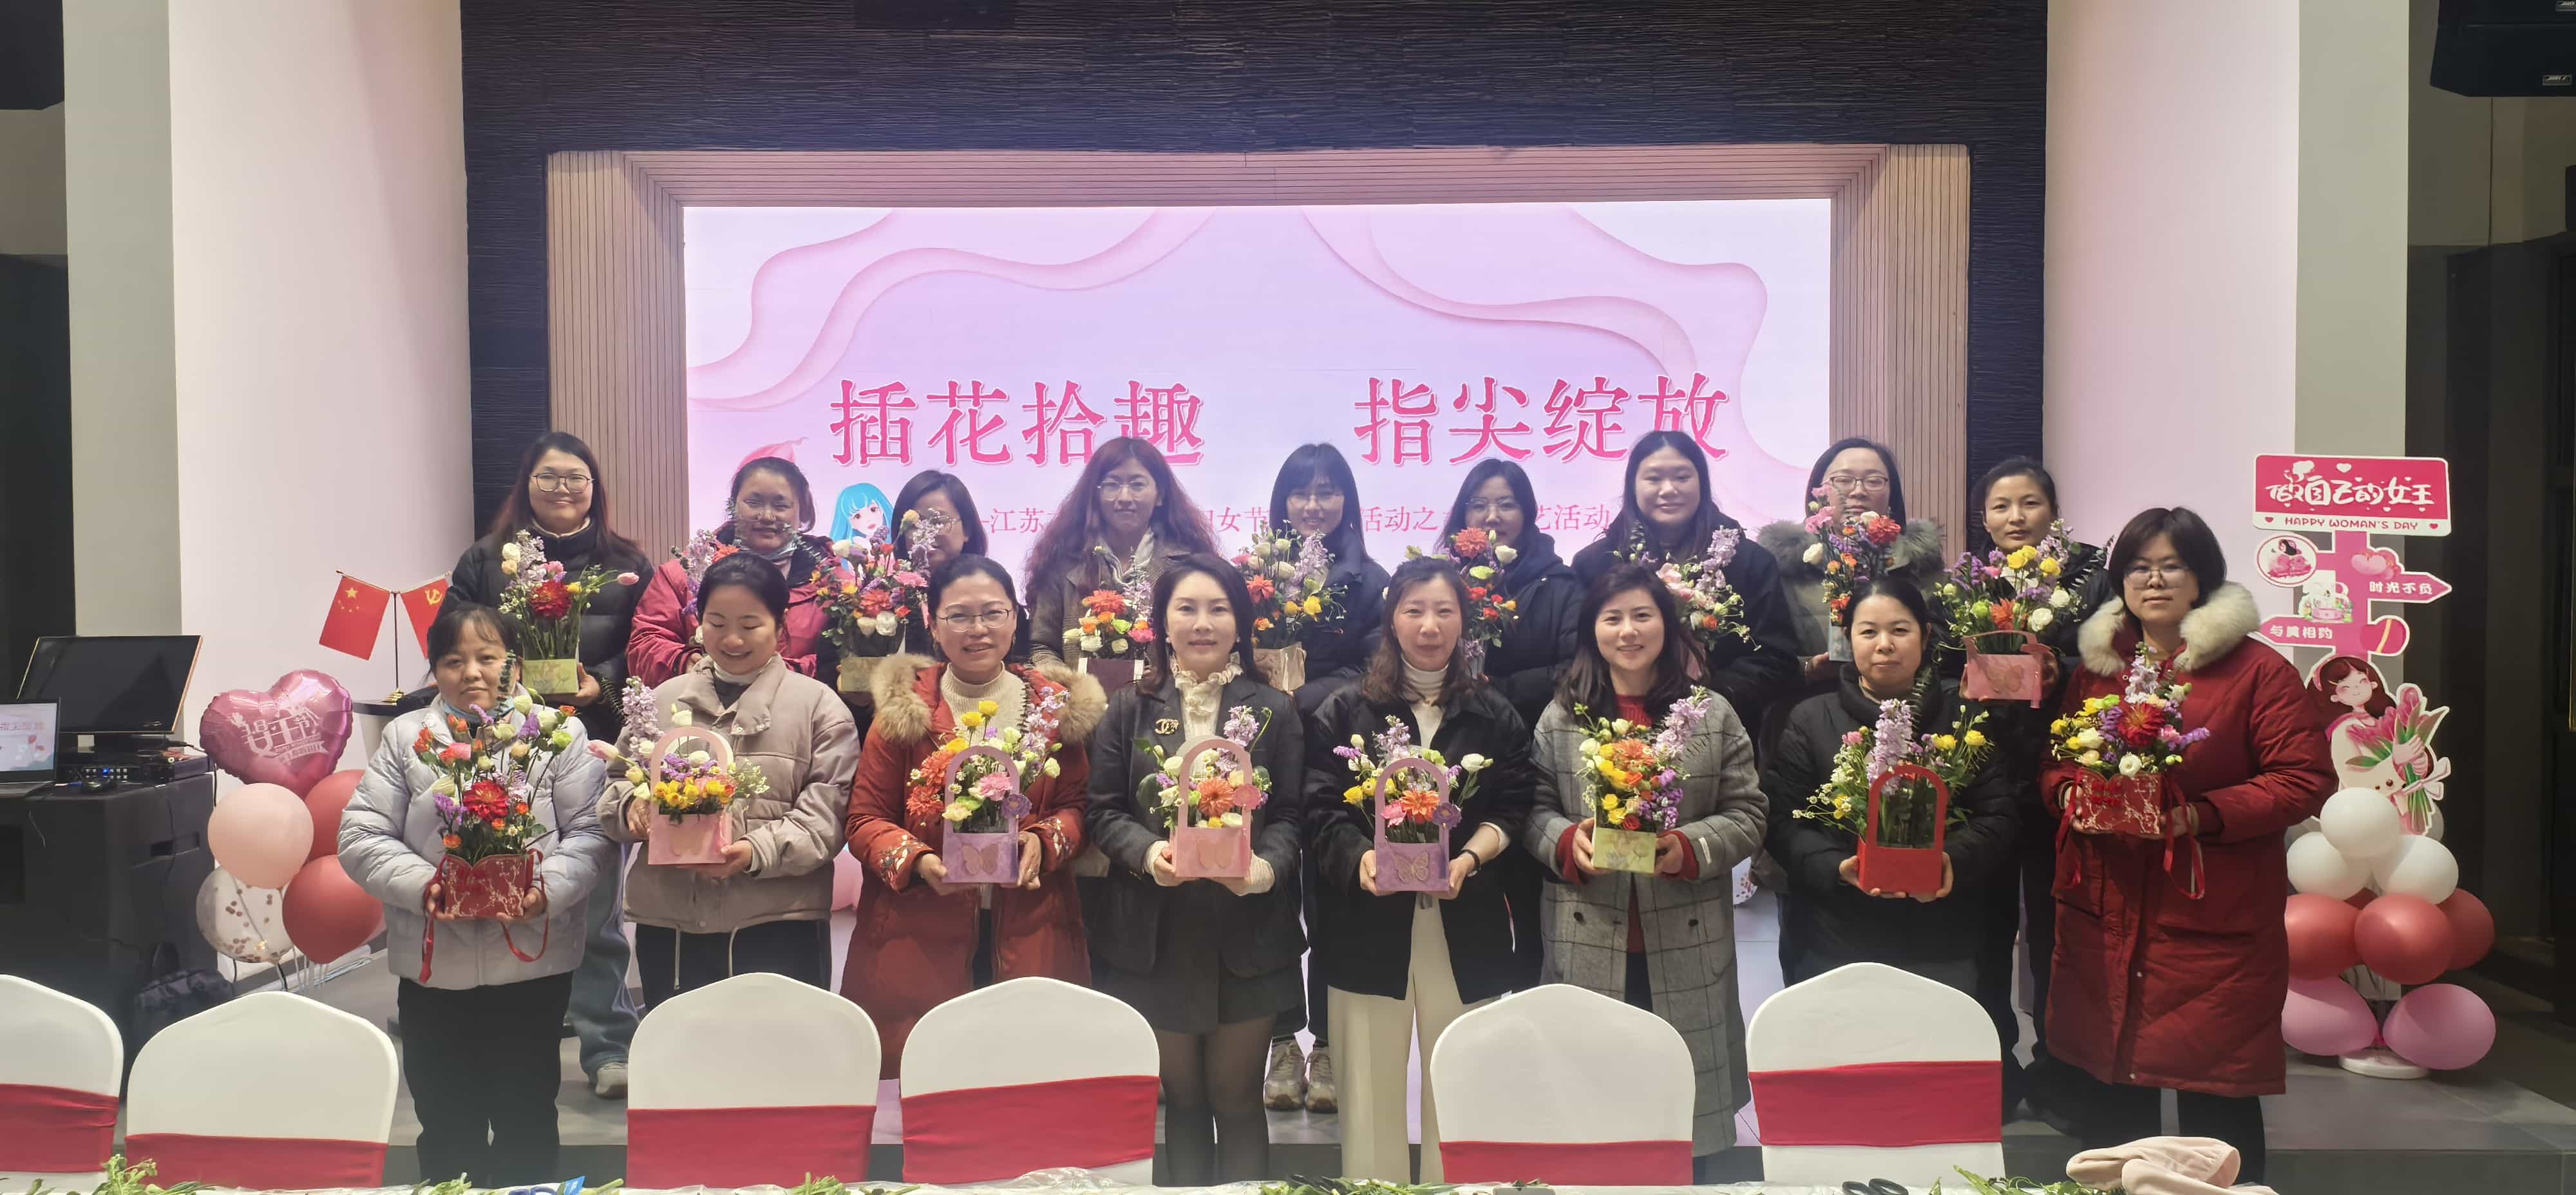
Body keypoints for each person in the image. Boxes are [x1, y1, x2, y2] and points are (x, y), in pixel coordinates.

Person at [2038, 507, 2333, 1185]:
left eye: (2172, 565)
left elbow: (2303, 778)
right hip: (2106, 908)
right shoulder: (2098, 669)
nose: (2155, 580)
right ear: (2120, 580)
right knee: (2113, 1099)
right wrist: (2072, 795)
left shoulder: (2256, 671)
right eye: (2139, 567)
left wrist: (2198, 816)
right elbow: (2056, 762)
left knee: (2216, 1098)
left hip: (2208, 915)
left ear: (2201, 577)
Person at [339, 602, 612, 1187]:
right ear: (435, 670)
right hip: (434, 972)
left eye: (488, 657)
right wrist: (426, 886)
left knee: (527, 1118)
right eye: (452, 661)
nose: (472, 673)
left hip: (531, 967)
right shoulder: (407, 738)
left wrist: (544, 890)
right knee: (445, 1121)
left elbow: (591, 834)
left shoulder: (558, 735)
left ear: (515, 664)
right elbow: (361, 836)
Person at [1522, 563, 1766, 1174]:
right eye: (1613, 618)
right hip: (1587, 932)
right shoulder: (1562, 714)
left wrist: (1689, 847)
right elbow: (1533, 808)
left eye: (1642, 616)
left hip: (1686, 935)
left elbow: (1749, 812)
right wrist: (1564, 841)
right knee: (1593, 1111)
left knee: (1681, 1112)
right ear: (1592, 630)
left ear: (1667, 624)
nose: (1628, 631)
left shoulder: (1710, 713)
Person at [1305, 558, 1534, 1182]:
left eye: (1443, 611)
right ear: (1391, 621)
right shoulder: (1345, 709)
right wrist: (1361, 857)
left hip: (1466, 920)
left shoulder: (1493, 712)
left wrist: (1470, 856)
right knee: (1367, 1099)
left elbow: (1516, 805)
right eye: (1414, 610)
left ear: (1464, 621)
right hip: (1366, 923)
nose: (1429, 626)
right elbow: (1319, 808)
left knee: (1462, 1092)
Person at [1084, 555, 1304, 1183]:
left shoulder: (1274, 709)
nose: (1202, 623)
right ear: (1162, 623)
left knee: (1237, 1100)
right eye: (1187, 608)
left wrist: (1264, 869)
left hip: (1248, 933)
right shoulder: (1127, 708)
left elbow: (1292, 814)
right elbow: (1103, 811)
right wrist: (1149, 853)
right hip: (1157, 935)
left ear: (1241, 622)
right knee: (1181, 1102)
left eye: (1218, 609)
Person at [442, 431, 648, 1098]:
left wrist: (601, 682)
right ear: (526, 484)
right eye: (549, 477)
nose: (563, 489)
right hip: (503, 754)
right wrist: (502, 680)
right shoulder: (485, 560)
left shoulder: (626, 562)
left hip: (595, 750)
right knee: (503, 894)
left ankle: (608, 1046)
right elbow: (450, 641)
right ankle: (504, 1050)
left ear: (595, 487)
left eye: (576, 478)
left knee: (595, 907)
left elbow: (647, 647)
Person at [842, 554, 1105, 1073]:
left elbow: (1078, 807)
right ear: (933, 623)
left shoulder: (1052, 708)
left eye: (993, 613)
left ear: (1015, 619)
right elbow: (864, 820)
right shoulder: (905, 707)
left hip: (1031, 927)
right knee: (937, 1080)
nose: (978, 629)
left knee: (1026, 1081)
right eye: (959, 616)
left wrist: (1043, 841)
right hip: (921, 933)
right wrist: (918, 861)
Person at [598, 553, 859, 1004]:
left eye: (750, 624)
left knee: (780, 1045)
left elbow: (827, 817)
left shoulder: (820, 708)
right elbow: (617, 783)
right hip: (672, 924)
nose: (732, 639)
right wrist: (632, 809)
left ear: (781, 627)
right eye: (716, 623)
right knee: (681, 1046)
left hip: (781, 925)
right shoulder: (661, 701)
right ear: (699, 624)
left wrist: (755, 851)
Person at [1761, 576, 2018, 990]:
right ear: (1848, 638)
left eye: (1900, 630)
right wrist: (1836, 867)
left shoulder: (1964, 717)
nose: (1885, 645)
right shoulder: (1811, 719)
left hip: (1942, 936)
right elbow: (1782, 821)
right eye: (1868, 632)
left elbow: (1997, 815)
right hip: (1836, 934)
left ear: (1925, 635)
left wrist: (1950, 861)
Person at [1957, 456, 2106, 1108]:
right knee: (1985, 931)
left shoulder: (2091, 578)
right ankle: (1991, 1070)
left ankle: (2060, 1070)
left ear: (2053, 511)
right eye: (2000, 506)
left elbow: (2114, 662)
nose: (2015, 517)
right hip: (1986, 779)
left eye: (2029, 503)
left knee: (2057, 931)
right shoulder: (1968, 584)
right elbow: (1943, 667)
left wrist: (2059, 666)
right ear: (1983, 518)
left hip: (2061, 779)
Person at [1258, 443, 1389, 1111]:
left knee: (1334, 897)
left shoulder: (1371, 579)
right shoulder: (1256, 573)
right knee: (1271, 892)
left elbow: (1373, 673)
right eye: (1301, 491)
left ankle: (1331, 1042)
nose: (1313, 504)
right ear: (1281, 500)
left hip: (1338, 753)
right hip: (1264, 752)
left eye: (1327, 490)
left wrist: (1300, 697)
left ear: (1347, 500)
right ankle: (1282, 1037)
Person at [1436, 458, 1582, 1009]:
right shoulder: (1442, 578)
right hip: (1454, 758)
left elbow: (1574, 668)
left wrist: (1495, 690)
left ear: (1529, 511)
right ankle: (1473, 1013)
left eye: (1506, 504)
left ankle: (1533, 1007)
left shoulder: (1559, 582)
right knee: (1464, 887)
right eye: (1479, 504)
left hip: (1528, 754)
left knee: (1527, 889)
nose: (1492, 516)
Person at [1571, 431, 1801, 728]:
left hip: (1719, 723)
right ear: (1633, 486)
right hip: (1615, 723)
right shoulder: (1595, 563)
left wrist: (1707, 701)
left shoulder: (1750, 562)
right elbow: (1579, 651)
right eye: (1654, 479)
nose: (1668, 490)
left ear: (1701, 483)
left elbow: (1776, 657)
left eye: (1682, 477)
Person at [629, 456, 837, 687]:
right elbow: (645, 643)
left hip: (800, 705)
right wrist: (687, 663)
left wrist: (779, 674)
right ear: (733, 506)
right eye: (754, 503)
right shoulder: (682, 575)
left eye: (781, 506)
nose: (767, 516)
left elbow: (843, 662)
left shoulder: (836, 587)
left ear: (803, 511)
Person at [1026, 438, 1222, 672]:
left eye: (1137, 485)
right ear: (1095, 495)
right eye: (1112, 485)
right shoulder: (1061, 561)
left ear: (1160, 495)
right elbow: (1042, 647)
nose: (1125, 498)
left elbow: (1207, 642)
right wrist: (1074, 687)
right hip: (1079, 693)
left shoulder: (1190, 562)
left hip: (1169, 693)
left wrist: (1169, 683)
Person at [1757, 437, 1947, 675]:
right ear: (1817, 493)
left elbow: (1943, 654)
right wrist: (1807, 668)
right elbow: (1765, 655)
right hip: (1814, 695)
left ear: (1892, 494)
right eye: (1843, 480)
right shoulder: (1781, 568)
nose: (1859, 491)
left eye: (1874, 481)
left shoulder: (1921, 564)